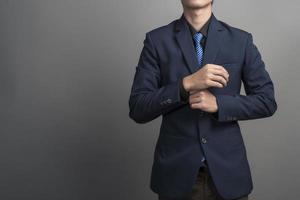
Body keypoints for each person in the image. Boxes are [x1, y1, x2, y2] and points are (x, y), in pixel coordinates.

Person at [128, 0, 277, 199]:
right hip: (176, 175)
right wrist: (185, 85)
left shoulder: (241, 40)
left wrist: (219, 105)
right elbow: (138, 107)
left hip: (229, 174)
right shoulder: (157, 40)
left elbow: (266, 101)